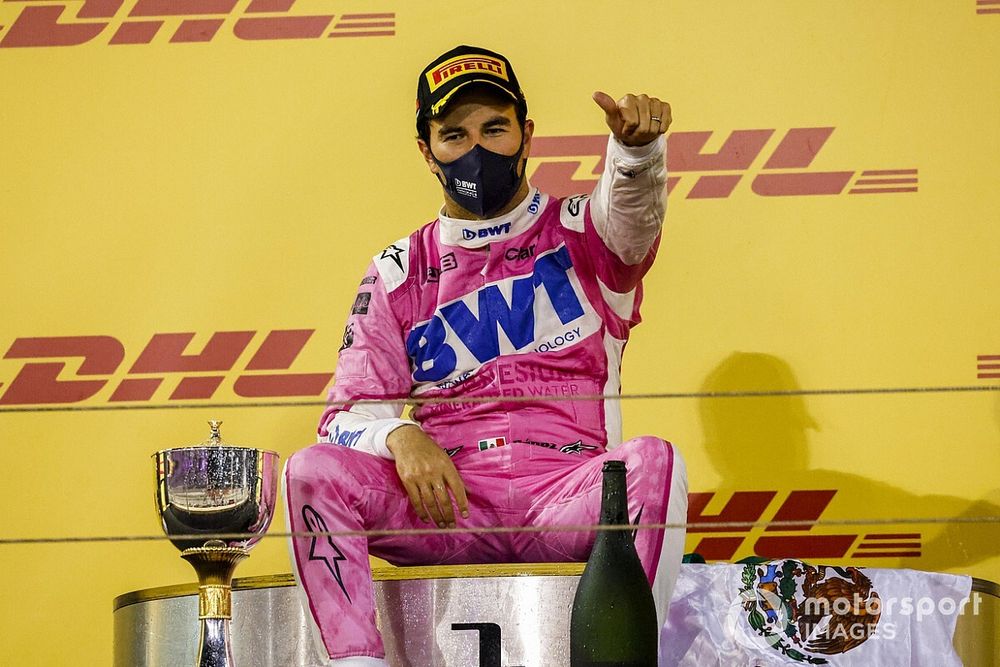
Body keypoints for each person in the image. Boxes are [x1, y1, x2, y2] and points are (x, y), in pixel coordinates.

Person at [284, 44, 688, 666]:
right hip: (448, 506)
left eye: (494, 128)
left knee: (653, 462)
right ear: (427, 151)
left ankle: (627, 657)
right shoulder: (397, 272)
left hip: (567, 495)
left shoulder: (587, 231)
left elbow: (634, 216)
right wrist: (400, 437)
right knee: (312, 470)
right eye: (454, 134)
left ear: (526, 135)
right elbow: (343, 416)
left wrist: (636, 155)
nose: (476, 148)